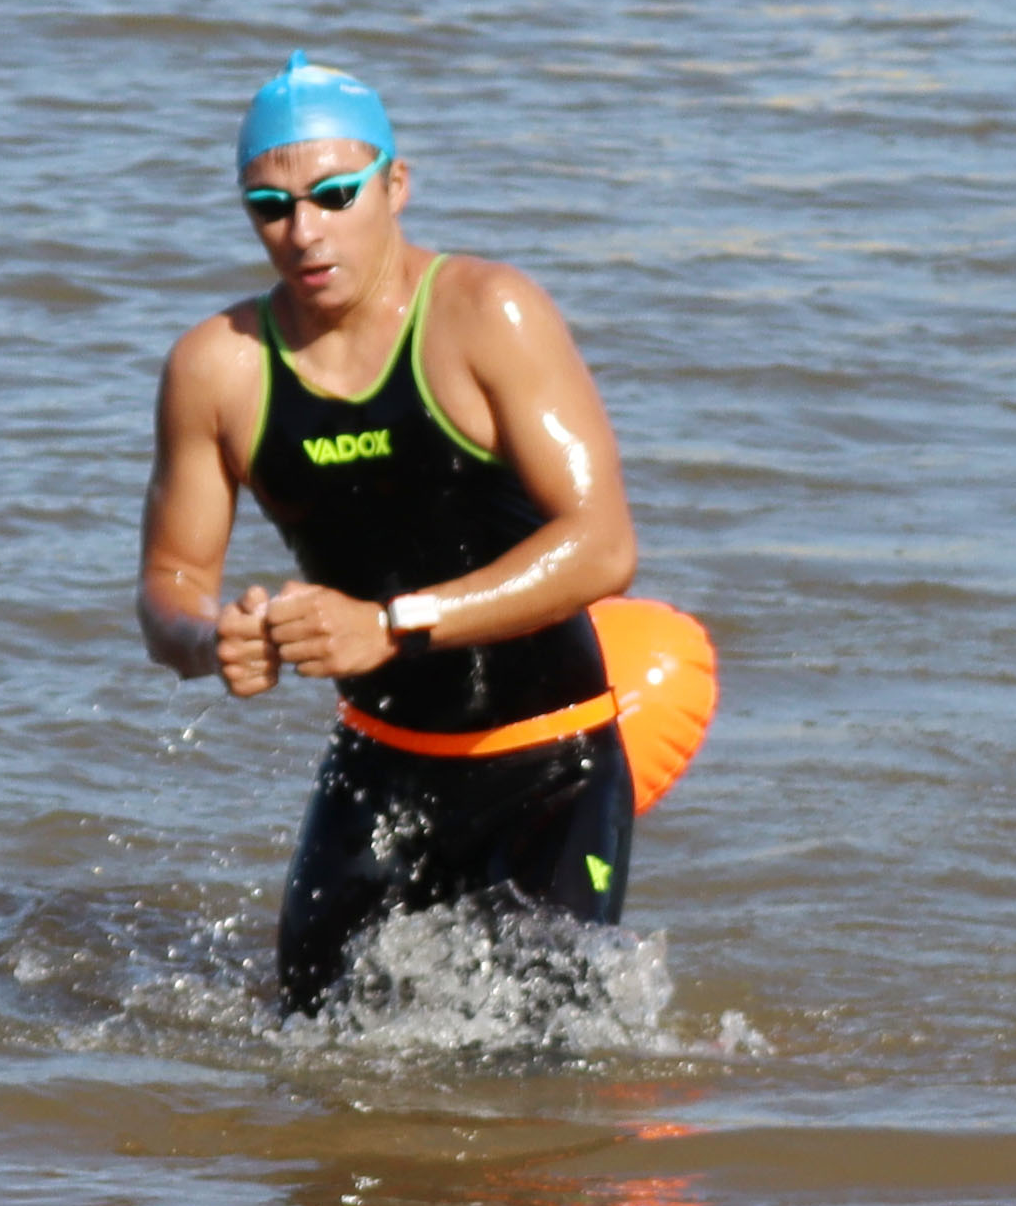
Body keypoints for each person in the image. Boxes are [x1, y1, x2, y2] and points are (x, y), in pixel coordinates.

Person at [136, 53, 648, 1011]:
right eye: (270, 206)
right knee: (309, 1058)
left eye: (336, 194)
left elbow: (604, 546)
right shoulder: (218, 368)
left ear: (397, 184)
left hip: (554, 766)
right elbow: (166, 583)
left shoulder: (487, 314)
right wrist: (212, 639)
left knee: (535, 1078)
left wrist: (392, 624)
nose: (305, 231)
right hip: (380, 767)